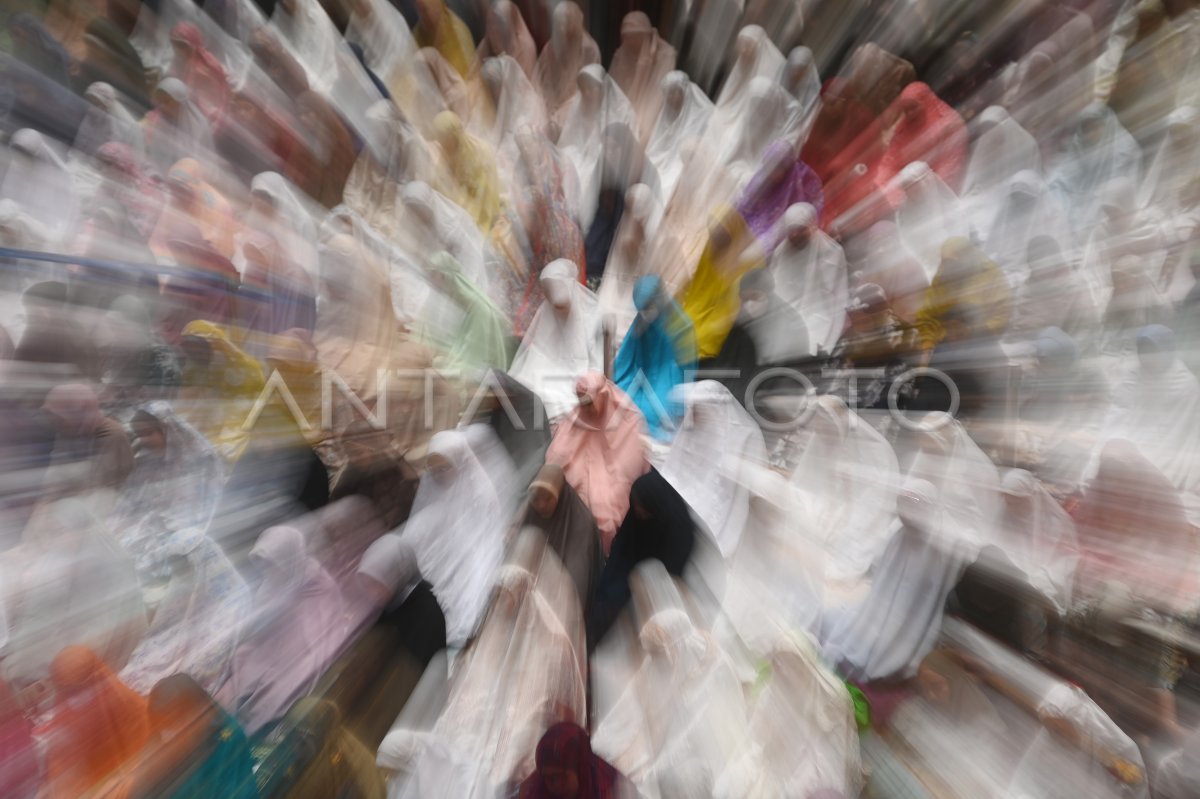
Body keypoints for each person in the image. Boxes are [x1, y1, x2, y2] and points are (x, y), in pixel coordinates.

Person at [222, 525, 348, 736]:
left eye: (272, 565)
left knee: (273, 694)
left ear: (288, 560)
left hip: (298, 658)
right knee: (236, 672)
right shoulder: (274, 581)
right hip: (267, 647)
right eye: (262, 565)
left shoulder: (319, 588)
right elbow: (258, 624)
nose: (266, 571)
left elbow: (316, 640)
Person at [398, 429, 508, 645]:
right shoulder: (430, 509)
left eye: (444, 468)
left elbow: (484, 552)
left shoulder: (481, 498)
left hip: (468, 579)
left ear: (461, 464)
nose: (437, 475)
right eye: (432, 470)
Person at [587, 470, 697, 646]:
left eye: (642, 506)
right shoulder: (636, 520)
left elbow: (668, 574)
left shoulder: (679, 532)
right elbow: (621, 550)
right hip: (629, 572)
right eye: (635, 504)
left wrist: (640, 584)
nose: (637, 510)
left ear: (655, 506)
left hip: (655, 586)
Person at [660, 381, 767, 557]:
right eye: (692, 409)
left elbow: (755, 486)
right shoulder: (692, 428)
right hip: (687, 509)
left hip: (724, 518)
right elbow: (675, 468)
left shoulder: (747, 436)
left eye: (698, 410)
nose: (693, 416)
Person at [546, 372, 649, 551]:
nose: (587, 408)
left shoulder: (627, 417)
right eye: (582, 403)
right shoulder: (577, 417)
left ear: (601, 395)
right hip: (587, 470)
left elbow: (630, 461)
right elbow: (559, 452)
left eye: (589, 402)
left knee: (607, 510)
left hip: (615, 474)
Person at [118, 674, 257, 798]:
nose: (167, 735)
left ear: (193, 715)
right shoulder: (159, 743)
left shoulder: (226, 737)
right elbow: (141, 789)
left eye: (174, 724)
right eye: (162, 727)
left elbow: (238, 789)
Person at [42, 645, 150, 799]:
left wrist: (123, 783)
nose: (73, 700)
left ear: (97, 679)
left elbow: (151, 755)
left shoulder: (128, 707)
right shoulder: (63, 726)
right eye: (66, 692)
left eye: (79, 690)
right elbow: (60, 778)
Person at [510, 260, 604, 420]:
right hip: (545, 379)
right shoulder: (545, 312)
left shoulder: (593, 313)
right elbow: (537, 354)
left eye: (558, 285)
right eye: (549, 287)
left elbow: (598, 364)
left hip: (579, 383)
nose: (554, 293)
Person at [612, 276, 696, 440]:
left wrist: (682, 401)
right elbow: (626, 356)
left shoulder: (683, 326)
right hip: (640, 375)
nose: (644, 313)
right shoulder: (641, 322)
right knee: (617, 401)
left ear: (659, 300)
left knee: (656, 412)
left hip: (670, 380)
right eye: (640, 309)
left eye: (647, 307)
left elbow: (688, 369)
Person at [679, 206, 764, 360]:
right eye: (713, 234)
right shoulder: (710, 248)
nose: (716, 239)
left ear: (733, 228)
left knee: (702, 336)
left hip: (732, 316)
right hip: (702, 307)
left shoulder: (751, 259)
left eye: (721, 234)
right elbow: (697, 289)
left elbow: (744, 302)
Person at [42, 382, 135, 496]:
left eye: (60, 418)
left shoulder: (110, 434)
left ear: (79, 412)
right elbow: (55, 473)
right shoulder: (68, 431)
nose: (55, 423)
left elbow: (102, 485)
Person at [515, 722, 637, 798]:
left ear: (581, 770)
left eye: (562, 777)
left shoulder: (615, 790)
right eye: (550, 778)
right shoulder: (533, 790)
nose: (556, 786)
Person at [413, 0, 476, 77]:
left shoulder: (458, 32)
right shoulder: (417, 35)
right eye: (421, 10)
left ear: (442, 6)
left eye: (429, 9)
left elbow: (466, 76)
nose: (427, 16)